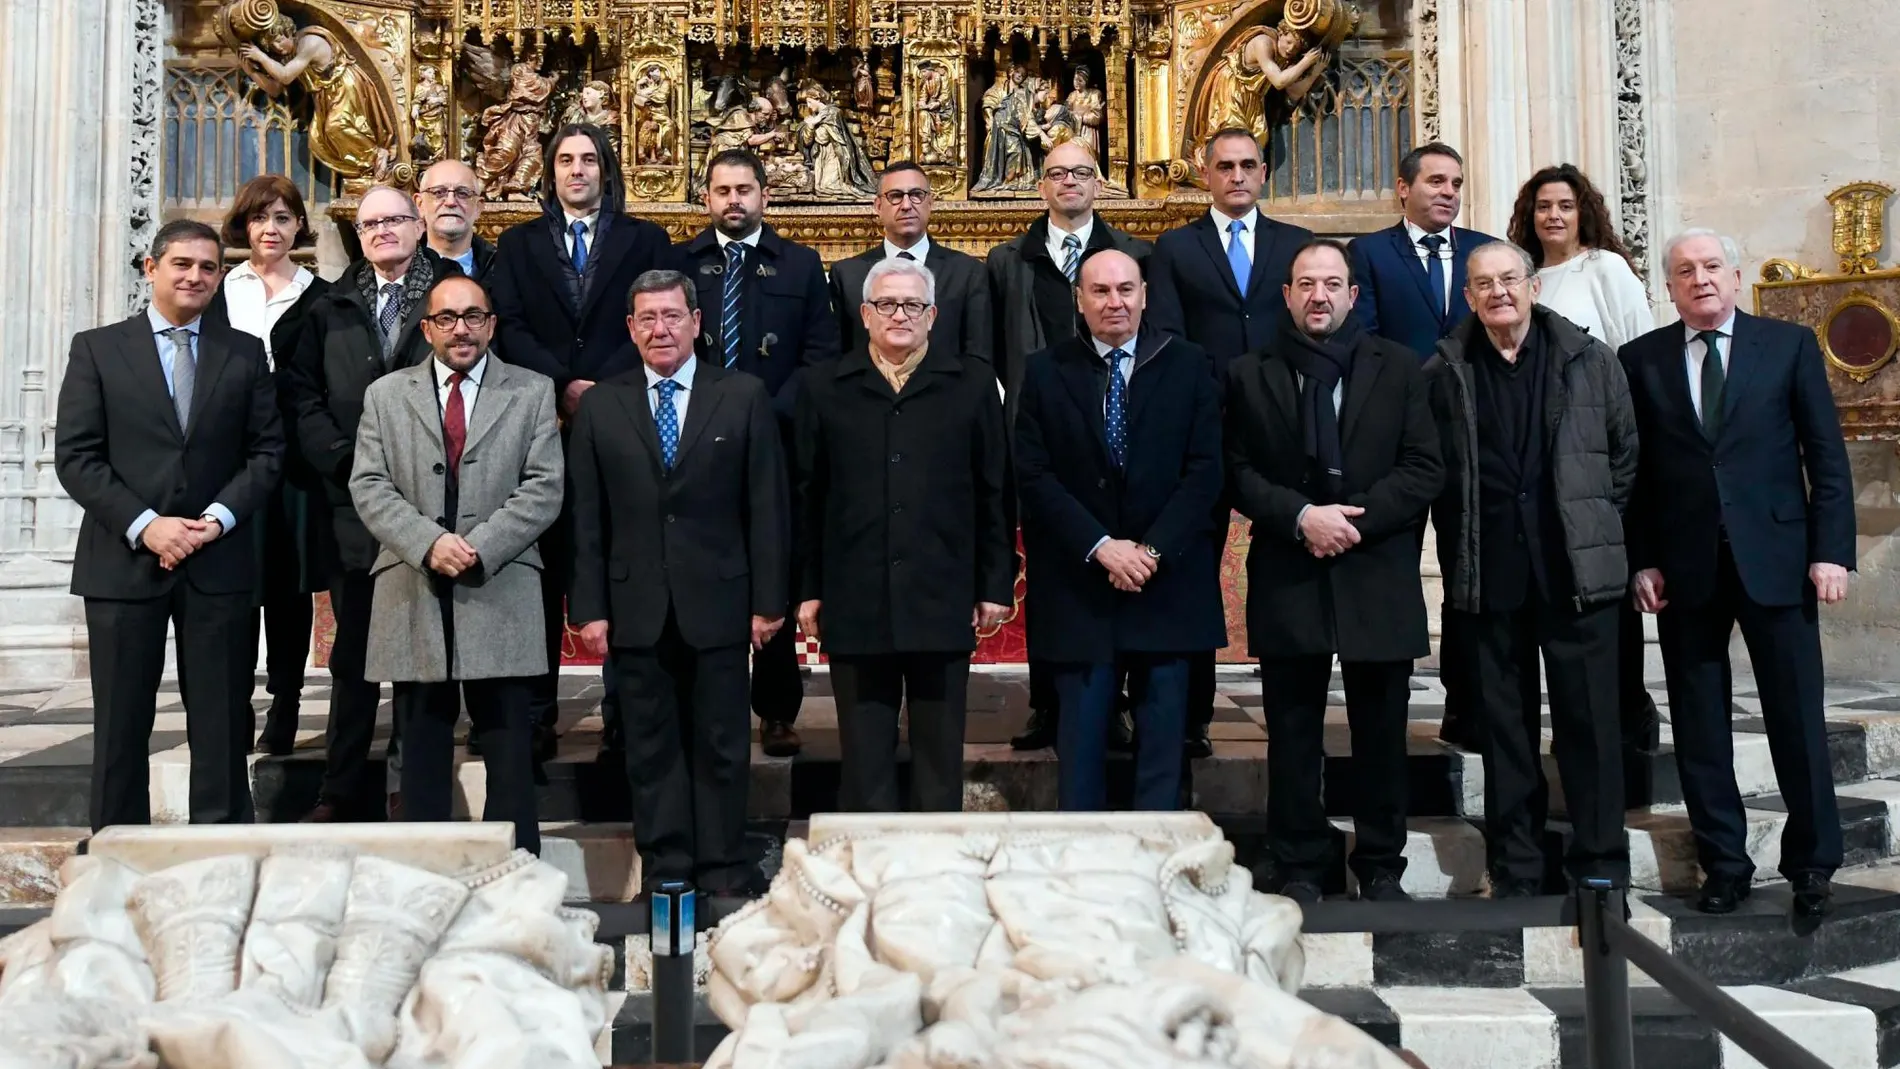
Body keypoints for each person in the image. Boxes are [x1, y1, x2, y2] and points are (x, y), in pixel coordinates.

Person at [1623, 229, 1855, 918]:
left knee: (1796, 718)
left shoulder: (1787, 347)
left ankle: (1812, 862)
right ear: (1668, 287)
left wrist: (1831, 550)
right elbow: (1634, 477)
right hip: (1686, 567)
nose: (1700, 279)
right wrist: (1643, 558)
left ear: (1735, 274)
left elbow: (1827, 456)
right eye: (1685, 271)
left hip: (1779, 559)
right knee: (1698, 723)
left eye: (1712, 267)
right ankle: (1724, 862)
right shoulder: (1640, 361)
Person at [1226, 239, 1443, 903]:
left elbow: (1424, 466)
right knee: (1293, 731)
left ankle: (1381, 864)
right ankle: (1298, 859)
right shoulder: (1250, 373)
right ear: (1287, 295)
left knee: (1382, 732)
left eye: (1332, 283)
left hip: (1376, 569)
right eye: (1306, 284)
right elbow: (1236, 471)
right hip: (1292, 569)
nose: (1319, 295)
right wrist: (1301, 517)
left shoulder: (1402, 368)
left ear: (1353, 294)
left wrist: (1351, 520)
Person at [54, 219, 284, 830]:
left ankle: (221, 848)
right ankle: (117, 846)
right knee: (121, 724)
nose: (195, 276)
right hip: (123, 562)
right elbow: (77, 456)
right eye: (182, 264)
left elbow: (267, 454)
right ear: (151, 268)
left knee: (222, 720)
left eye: (208, 267)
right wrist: (147, 525)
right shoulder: (97, 348)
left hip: (218, 561)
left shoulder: (244, 352)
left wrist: (214, 520)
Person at [1424, 240, 1635, 897]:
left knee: (1591, 728)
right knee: (1506, 734)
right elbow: (1437, 471)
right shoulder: (1444, 370)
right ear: (1469, 297)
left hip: (1574, 573)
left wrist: (1586, 520)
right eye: (1483, 284)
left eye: (1509, 279)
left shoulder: (1590, 360)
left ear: (1533, 287)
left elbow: (1623, 456)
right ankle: (1518, 862)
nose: (1499, 293)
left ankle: (1600, 860)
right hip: (1491, 574)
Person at [569, 269, 788, 896]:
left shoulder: (742, 394)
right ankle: (666, 863)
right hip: (634, 604)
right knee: (650, 745)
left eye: (672, 316)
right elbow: (587, 515)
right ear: (631, 328)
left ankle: (722, 863)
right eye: (647, 318)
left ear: (697, 323)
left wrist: (768, 599)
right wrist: (589, 608)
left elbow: (767, 506)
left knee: (722, 743)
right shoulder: (603, 405)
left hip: (721, 601)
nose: (660, 329)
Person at [348, 275, 561, 854]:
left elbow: (544, 487)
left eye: (473, 316)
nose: (460, 329)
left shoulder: (532, 391)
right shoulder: (386, 395)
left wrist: (481, 545)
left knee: (510, 750)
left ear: (492, 324)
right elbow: (368, 484)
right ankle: (427, 876)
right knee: (419, 745)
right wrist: (427, 543)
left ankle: (518, 881)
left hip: (500, 580)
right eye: (447, 318)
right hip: (413, 582)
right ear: (427, 328)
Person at [796, 258, 1012, 813]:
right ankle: (873, 880)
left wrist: (994, 583)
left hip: (941, 593)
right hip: (854, 593)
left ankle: (935, 881)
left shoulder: (970, 385)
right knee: (864, 762)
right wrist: (808, 586)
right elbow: (806, 496)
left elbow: (994, 490)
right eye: (887, 304)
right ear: (864, 314)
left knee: (939, 761)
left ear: (933, 315)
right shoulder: (824, 386)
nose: (900, 315)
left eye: (912, 305)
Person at [1013, 249, 1224, 812]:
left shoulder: (1190, 364)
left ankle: (1158, 860)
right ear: (1079, 301)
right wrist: (1102, 547)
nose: (1115, 302)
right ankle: (1082, 867)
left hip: (1166, 583)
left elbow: (1206, 471)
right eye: (1100, 292)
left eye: (1126, 289)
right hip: (1083, 585)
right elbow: (1033, 475)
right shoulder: (1044, 371)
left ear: (1145, 294)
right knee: (1079, 746)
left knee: (1163, 748)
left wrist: (1151, 550)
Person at [490, 123, 673, 759]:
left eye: (588, 160)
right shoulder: (515, 245)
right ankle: (537, 714)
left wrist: (601, 387)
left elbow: (655, 317)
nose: (577, 170)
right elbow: (506, 324)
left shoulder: (646, 238)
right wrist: (564, 383)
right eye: (565, 160)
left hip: (620, 417)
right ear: (550, 172)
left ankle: (623, 714)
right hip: (538, 426)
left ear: (606, 170)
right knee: (538, 574)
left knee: (621, 567)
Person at [285, 186, 460, 822]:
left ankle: (414, 791)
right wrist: (341, 457)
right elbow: (300, 394)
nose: (382, 231)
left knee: (424, 660)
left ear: (419, 225)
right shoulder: (329, 304)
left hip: (432, 503)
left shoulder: (454, 297)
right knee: (354, 659)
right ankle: (341, 790)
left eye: (394, 220)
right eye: (369, 224)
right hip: (351, 506)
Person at [1146, 126, 1314, 759]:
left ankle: (1292, 713)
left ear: (1264, 172)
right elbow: (1166, 337)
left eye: (1248, 165)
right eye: (1225, 166)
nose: (1237, 176)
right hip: (1207, 431)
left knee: (1286, 569)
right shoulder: (1175, 249)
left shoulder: (1296, 245)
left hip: (1282, 431)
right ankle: (1192, 717)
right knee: (1192, 570)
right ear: (1205, 173)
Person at [674, 148, 841, 759]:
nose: (734, 200)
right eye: (722, 191)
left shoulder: (799, 264)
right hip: (696, 444)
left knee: (774, 564)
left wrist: (765, 414)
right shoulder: (681, 263)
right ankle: (704, 699)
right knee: (704, 565)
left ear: (765, 195)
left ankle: (776, 709)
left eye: (744, 189)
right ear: (708, 198)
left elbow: (820, 355)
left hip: (776, 439)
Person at [986, 139, 1151, 754]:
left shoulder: (1133, 256)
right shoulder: (1008, 262)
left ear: (1100, 183)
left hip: (1115, 435)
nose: (1070, 183)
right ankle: (1047, 701)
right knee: (1053, 575)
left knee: (1123, 569)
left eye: (1082, 173)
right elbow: (991, 352)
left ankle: (1119, 704)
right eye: (1057, 174)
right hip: (1040, 439)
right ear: (1040, 185)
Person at [1507, 162, 1662, 781]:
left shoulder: (1605, 269)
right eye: (1543, 205)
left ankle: (1630, 708)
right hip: (1536, 463)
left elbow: (1639, 353)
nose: (1554, 216)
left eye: (1565, 206)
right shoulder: (1522, 275)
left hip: (1599, 451)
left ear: (1582, 211)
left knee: (1606, 592)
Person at [1348, 140, 1498, 753]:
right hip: (1399, 439)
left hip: (1473, 437)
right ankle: (1389, 703)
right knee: (1393, 572)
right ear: (1402, 189)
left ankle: (1469, 708)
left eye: (1455, 182)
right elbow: (1368, 342)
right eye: (1435, 181)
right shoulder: (1370, 253)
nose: (1447, 192)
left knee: (1472, 573)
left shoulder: (1483, 252)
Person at [202, 174, 329, 756]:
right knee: (234, 579)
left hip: (296, 460)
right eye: (260, 218)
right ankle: (234, 698)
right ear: (244, 226)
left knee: (287, 584)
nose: (271, 229)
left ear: (299, 224)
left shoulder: (323, 294)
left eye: (282, 217)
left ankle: (286, 698)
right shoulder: (222, 291)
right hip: (232, 455)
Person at [828, 162, 993, 364]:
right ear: (878, 206)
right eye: (896, 196)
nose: (907, 205)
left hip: (947, 393)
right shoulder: (847, 275)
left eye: (916, 195)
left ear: (930, 203)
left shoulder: (968, 272)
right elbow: (837, 358)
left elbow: (978, 356)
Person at [418, 159, 496, 280]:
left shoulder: (504, 269)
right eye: (438, 192)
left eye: (463, 193)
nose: (450, 202)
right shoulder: (399, 266)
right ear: (420, 204)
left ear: (478, 207)